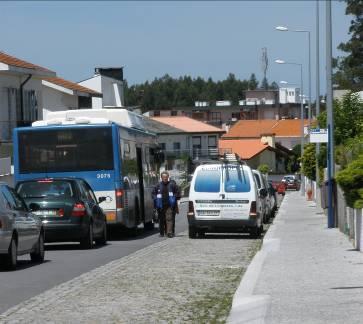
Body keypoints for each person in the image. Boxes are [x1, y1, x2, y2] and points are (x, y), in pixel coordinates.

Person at [152, 171, 180, 238]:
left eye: (166, 177)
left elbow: (177, 192)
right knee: (161, 220)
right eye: (163, 177)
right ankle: (161, 233)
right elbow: (153, 194)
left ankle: (169, 232)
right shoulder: (157, 185)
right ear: (161, 177)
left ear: (168, 177)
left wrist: (174, 197)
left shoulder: (172, 185)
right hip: (160, 205)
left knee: (169, 219)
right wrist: (156, 199)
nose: (165, 178)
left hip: (169, 205)